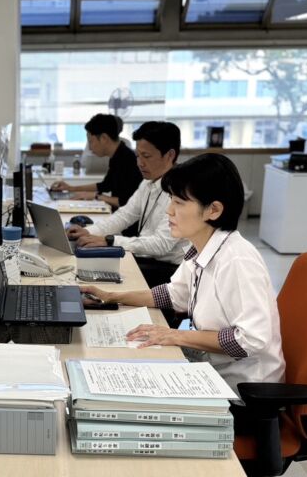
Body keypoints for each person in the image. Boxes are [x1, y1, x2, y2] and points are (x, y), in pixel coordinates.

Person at [80, 153, 285, 394]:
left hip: (242, 392)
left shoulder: (236, 260)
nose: (169, 211)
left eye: (179, 202)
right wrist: (109, 296)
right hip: (211, 370)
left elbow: (250, 339)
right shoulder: (202, 249)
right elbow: (171, 295)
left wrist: (176, 336)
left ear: (214, 210)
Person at [68, 121, 186, 287]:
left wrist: (109, 241)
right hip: (147, 260)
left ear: (169, 155)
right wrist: (87, 232)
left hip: (168, 272)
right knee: (82, 267)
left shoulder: (181, 191)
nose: (140, 163)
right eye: (138, 156)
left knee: (94, 277)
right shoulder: (148, 183)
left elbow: (161, 245)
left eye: (146, 156)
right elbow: (124, 215)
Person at [50, 114, 141, 210]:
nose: (89, 147)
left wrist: (95, 196)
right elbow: (105, 185)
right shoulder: (117, 155)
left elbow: (126, 202)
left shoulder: (127, 160)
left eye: (91, 141)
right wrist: (71, 188)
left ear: (104, 138)